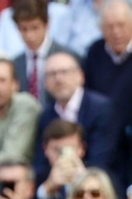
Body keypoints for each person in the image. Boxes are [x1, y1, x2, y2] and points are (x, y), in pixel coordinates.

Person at [34, 51, 115, 180]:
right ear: (45, 83)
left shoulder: (101, 109)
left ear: (80, 76)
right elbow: (40, 162)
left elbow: (102, 160)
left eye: (64, 72)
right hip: (56, 188)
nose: (58, 79)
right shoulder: (46, 115)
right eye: (52, 74)